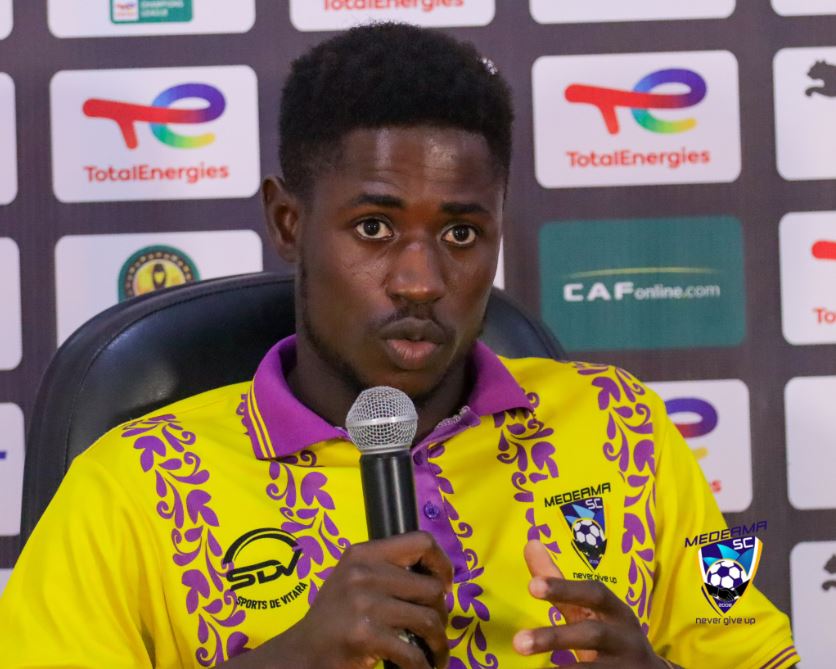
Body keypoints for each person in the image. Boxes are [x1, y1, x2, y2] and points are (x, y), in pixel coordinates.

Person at [0, 22, 797, 669]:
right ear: (289, 223)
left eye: (461, 233)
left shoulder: (626, 427)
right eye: (375, 227)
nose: (420, 280)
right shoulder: (129, 486)